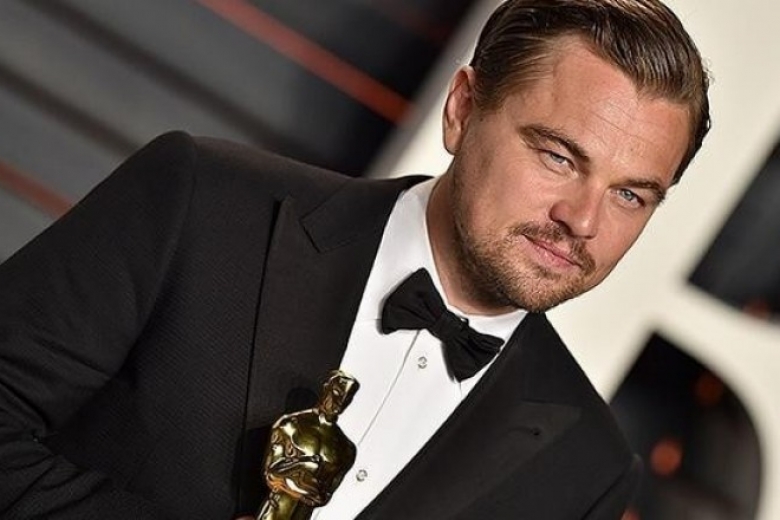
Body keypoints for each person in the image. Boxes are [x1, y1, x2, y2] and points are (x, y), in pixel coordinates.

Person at [0, 0, 710, 519]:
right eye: (558, 156)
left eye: (630, 194)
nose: (582, 220)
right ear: (462, 110)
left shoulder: (588, 470)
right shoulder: (202, 202)